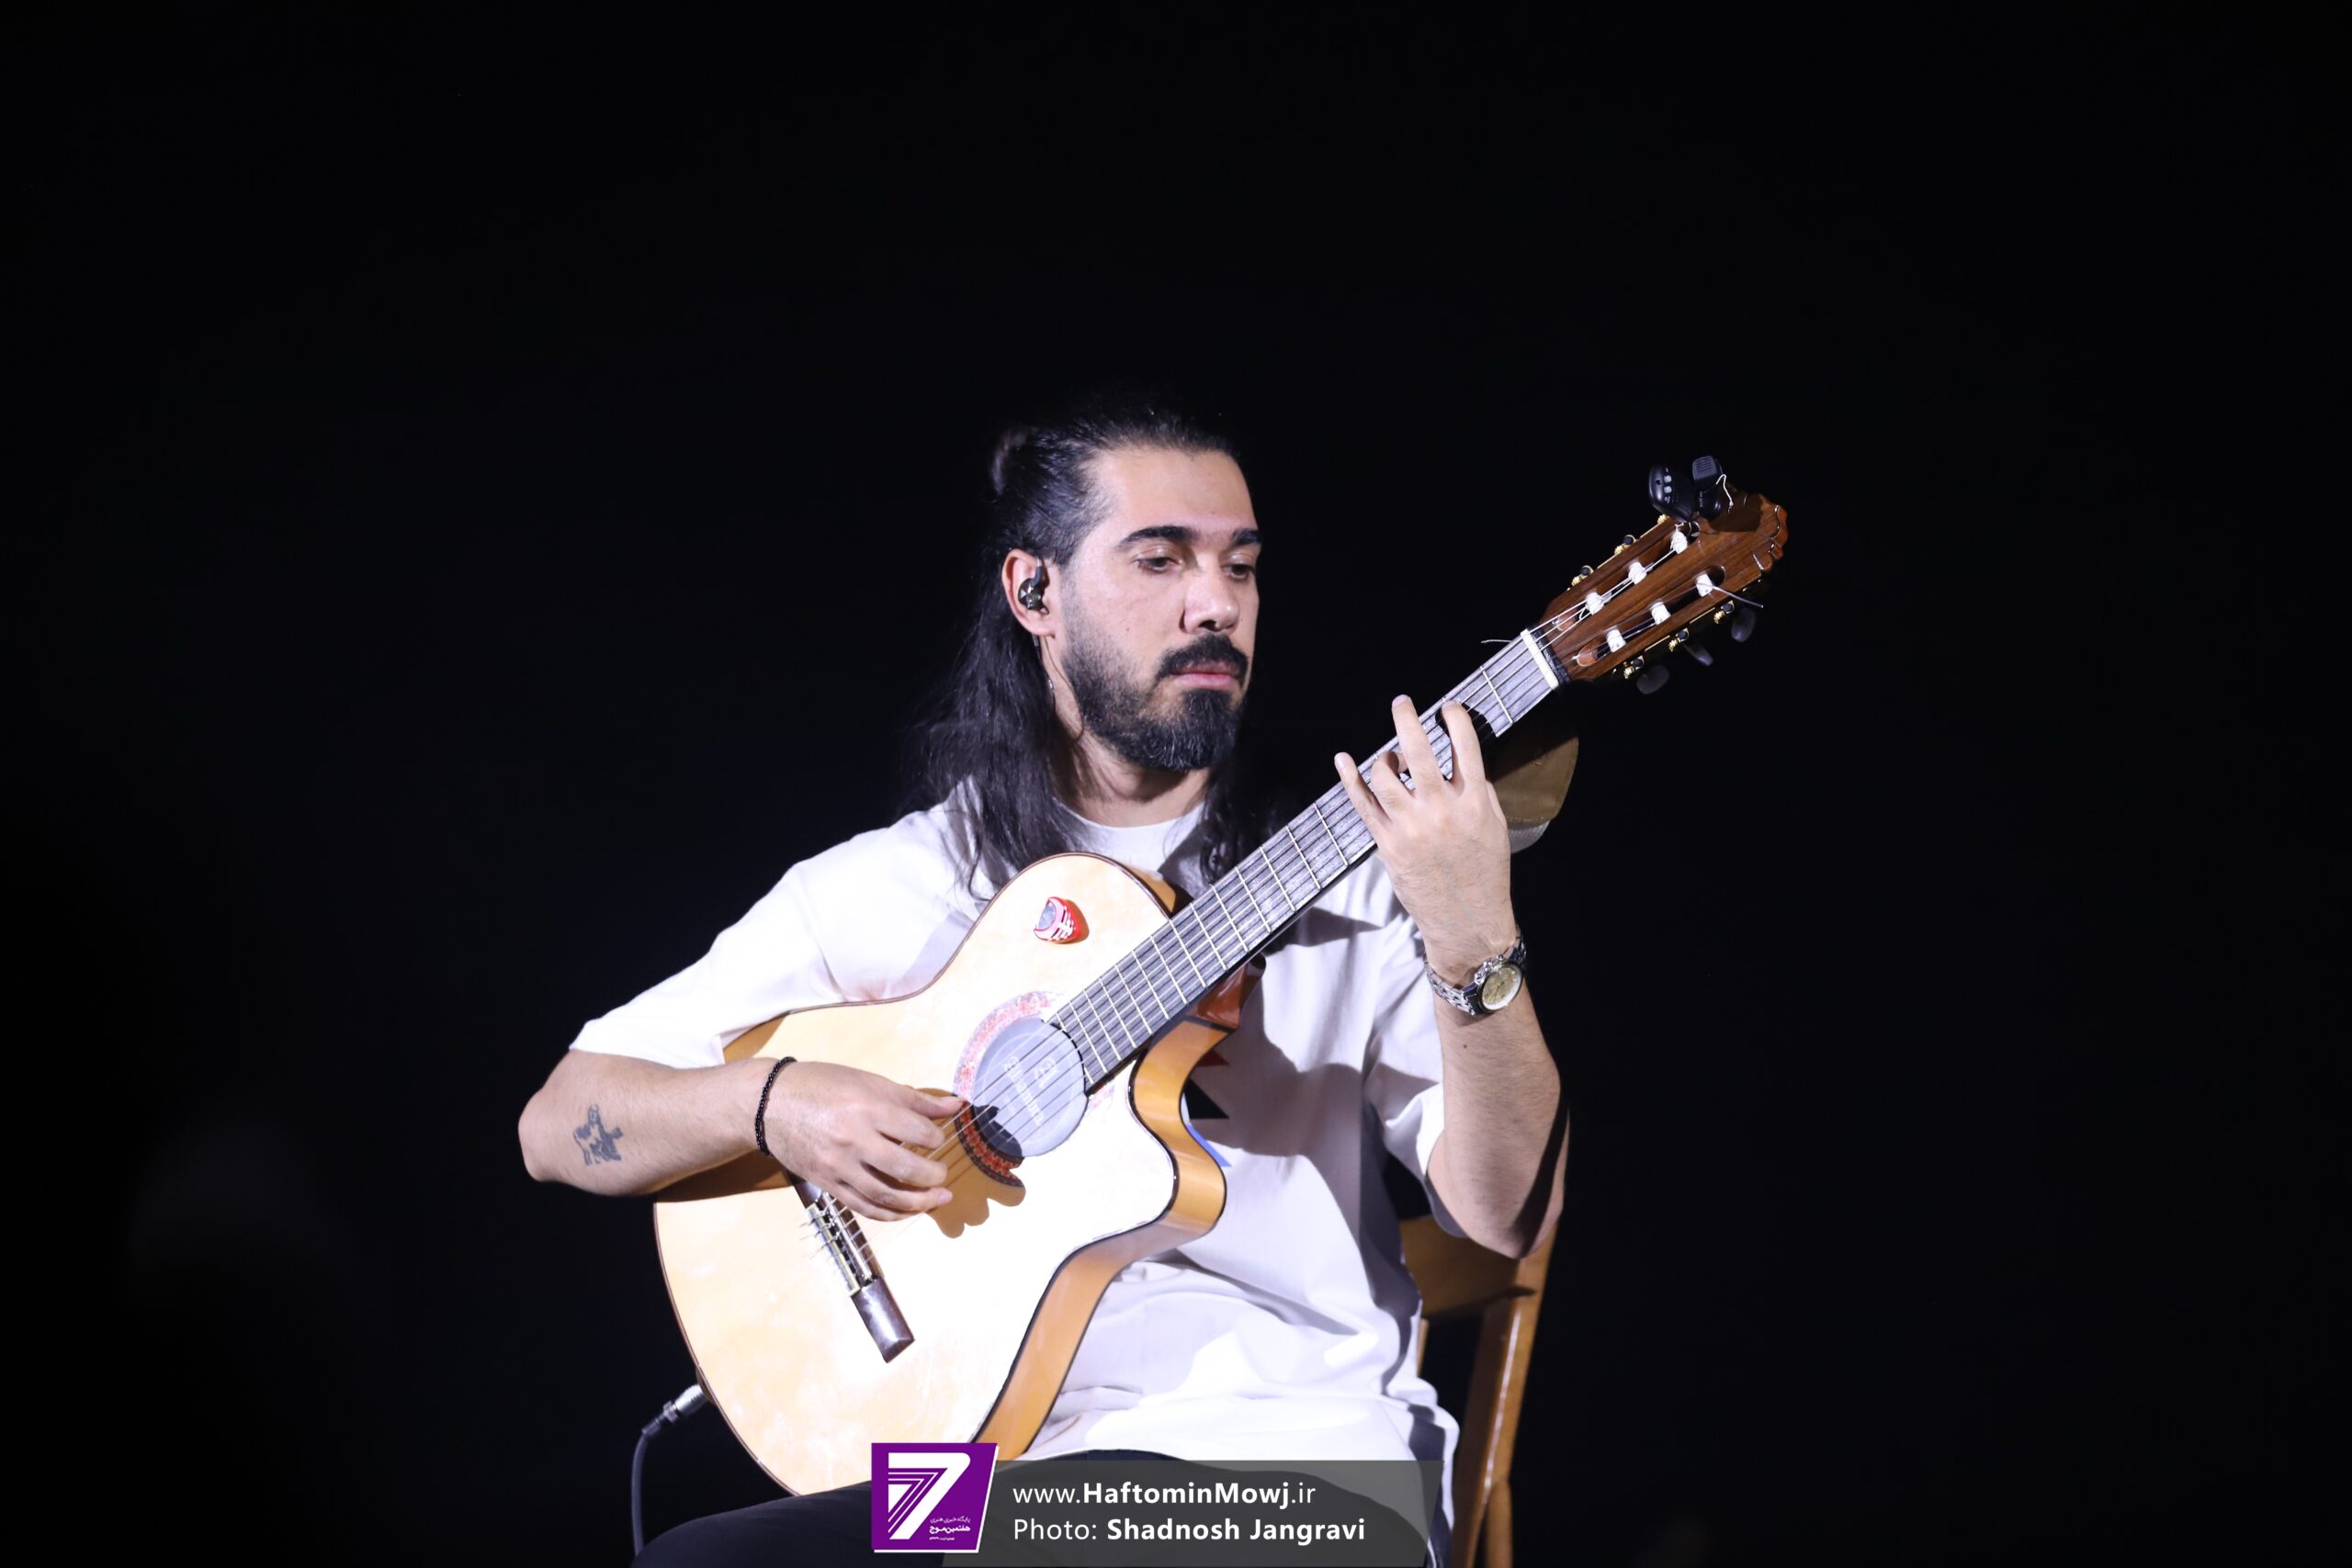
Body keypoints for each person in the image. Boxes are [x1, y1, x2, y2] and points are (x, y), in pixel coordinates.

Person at [517, 389, 1570, 1565]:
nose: (1216, 603)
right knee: (700, 1561)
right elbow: (560, 1124)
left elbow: (1506, 1212)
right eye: (1159, 559)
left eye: (1240, 566)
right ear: (1034, 593)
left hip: (1301, 1484)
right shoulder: (908, 883)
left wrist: (1473, 934)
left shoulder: (1364, 872)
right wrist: (778, 1102)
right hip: (992, 1481)